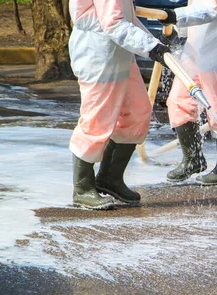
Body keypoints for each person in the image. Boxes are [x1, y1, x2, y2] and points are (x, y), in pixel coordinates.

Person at [68, 0, 172, 209]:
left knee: (137, 112)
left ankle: (110, 178)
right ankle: (83, 187)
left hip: (120, 55)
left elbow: (127, 19)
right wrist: (151, 47)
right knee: (96, 121)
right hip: (99, 56)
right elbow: (114, 23)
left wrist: (156, 42)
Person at [163, 0, 217, 186]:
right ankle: (192, 159)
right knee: (179, 100)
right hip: (195, 46)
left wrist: (176, 16)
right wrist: (178, 32)